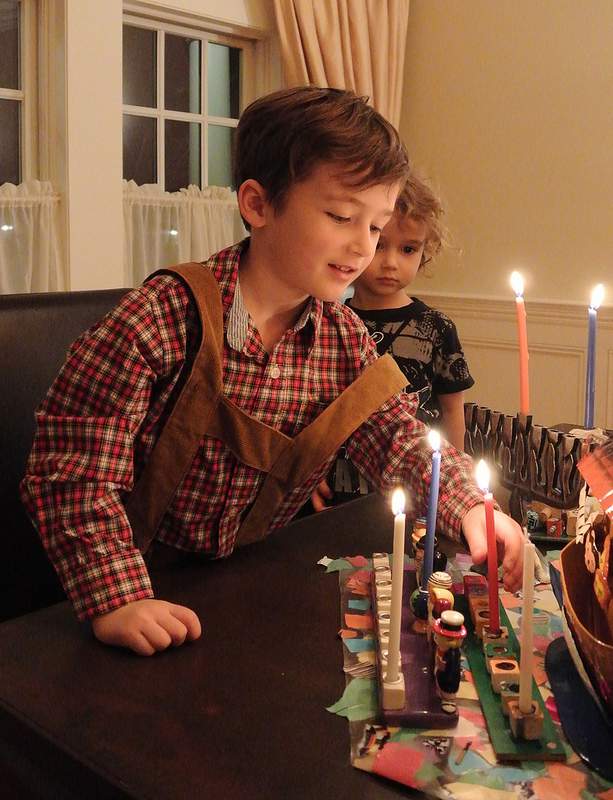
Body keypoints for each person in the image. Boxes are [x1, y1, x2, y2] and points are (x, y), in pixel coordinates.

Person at [21, 87, 524, 657]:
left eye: (377, 227)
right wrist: (117, 598)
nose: (363, 247)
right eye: (341, 216)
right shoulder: (162, 318)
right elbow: (72, 472)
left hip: (239, 593)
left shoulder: (343, 338)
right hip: (126, 589)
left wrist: (471, 510)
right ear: (258, 205)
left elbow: (401, 442)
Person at [348, 174, 473, 451]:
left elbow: (452, 411)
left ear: (425, 250)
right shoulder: (331, 321)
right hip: (341, 484)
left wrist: (452, 474)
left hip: (417, 475)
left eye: (408, 249)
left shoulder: (436, 328)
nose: (391, 263)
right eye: (379, 245)